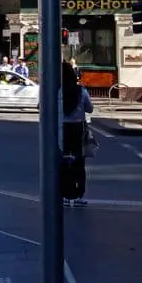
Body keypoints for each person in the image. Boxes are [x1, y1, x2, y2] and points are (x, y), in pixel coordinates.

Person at [62, 59, 94, 206]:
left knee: (63, 161)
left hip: (62, 128)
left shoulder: (57, 91)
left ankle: (66, 193)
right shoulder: (81, 91)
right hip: (78, 129)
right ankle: (79, 195)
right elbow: (90, 108)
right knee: (79, 162)